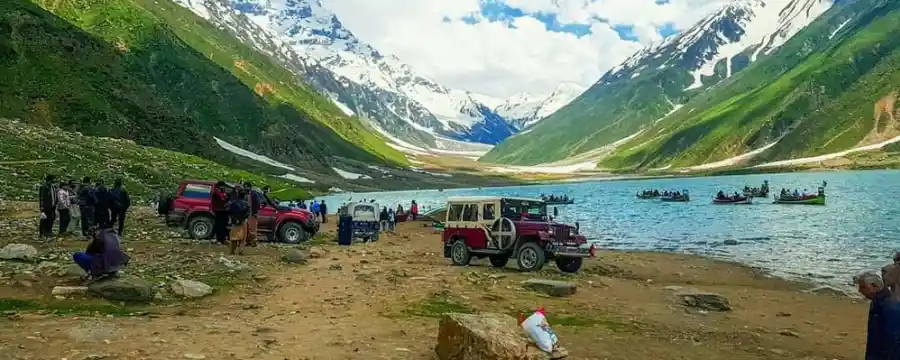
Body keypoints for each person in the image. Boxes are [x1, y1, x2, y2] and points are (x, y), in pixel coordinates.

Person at [854, 271, 900, 359]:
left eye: (863, 287)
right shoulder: (877, 302)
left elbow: (893, 341)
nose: (860, 291)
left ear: (875, 286)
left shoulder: (890, 306)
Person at [227, 189, 251, 255]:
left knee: (234, 237)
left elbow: (229, 212)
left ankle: (232, 251)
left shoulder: (233, 203)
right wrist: (241, 219)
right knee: (243, 237)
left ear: (238, 195)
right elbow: (248, 214)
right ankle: (241, 251)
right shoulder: (247, 204)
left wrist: (235, 219)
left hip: (234, 222)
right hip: (243, 222)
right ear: (245, 196)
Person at [244, 182, 264, 247]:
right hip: (247, 214)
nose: (245, 188)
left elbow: (258, 203)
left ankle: (254, 242)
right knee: (248, 229)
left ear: (249, 187)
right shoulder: (246, 194)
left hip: (253, 214)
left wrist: (255, 212)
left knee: (253, 229)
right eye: (244, 186)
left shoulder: (254, 194)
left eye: (246, 186)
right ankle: (248, 242)